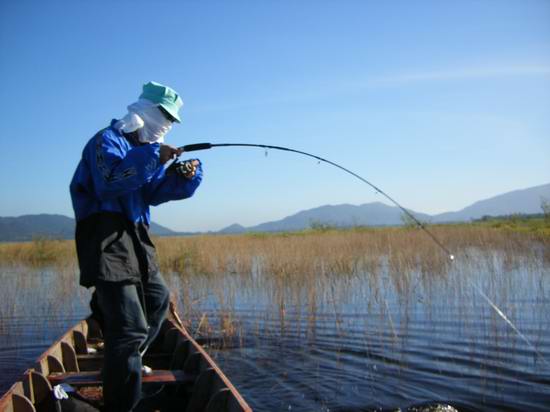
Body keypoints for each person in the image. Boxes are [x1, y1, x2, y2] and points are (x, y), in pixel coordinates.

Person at [70, 81, 202, 411]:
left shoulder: (146, 149)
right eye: (164, 116)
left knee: (157, 300)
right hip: (105, 237)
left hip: (137, 237)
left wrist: (183, 178)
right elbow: (107, 183)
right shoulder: (106, 141)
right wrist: (152, 156)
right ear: (144, 109)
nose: (167, 125)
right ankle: (122, 402)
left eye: (172, 120)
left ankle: (128, 357)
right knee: (129, 327)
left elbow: (153, 193)